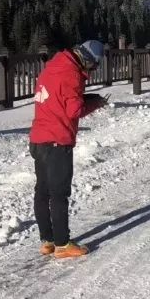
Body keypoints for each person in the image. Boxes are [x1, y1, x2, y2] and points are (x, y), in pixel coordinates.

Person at [29, 39, 108, 258]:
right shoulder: (72, 74)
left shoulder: (55, 66)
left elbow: (59, 98)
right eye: (94, 66)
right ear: (87, 60)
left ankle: (47, 240)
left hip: (38, 137)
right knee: (59, 193)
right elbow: (74, 110)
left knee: (42, 192)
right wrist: (95, 103)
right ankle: (63, 244)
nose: (92, 71)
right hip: (57, 140)